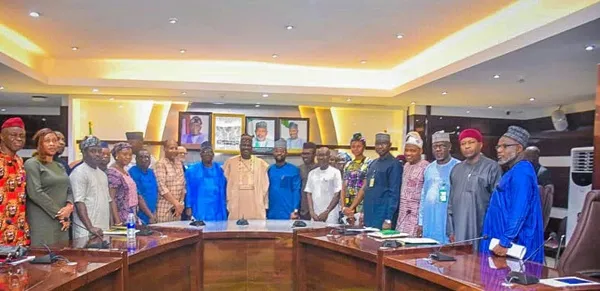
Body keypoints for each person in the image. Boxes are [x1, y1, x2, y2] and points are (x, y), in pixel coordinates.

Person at [481, 126, 544, 262]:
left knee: (512, 281)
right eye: (498, 146)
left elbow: (519, 210)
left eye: (505, 146)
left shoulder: (522, 173)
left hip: (512, 245)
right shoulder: (513, 171)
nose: (499, 150)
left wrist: (505, 241)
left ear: (519, 148)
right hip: (502, 242)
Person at [447, 128, 502, 247]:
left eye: (471, 142)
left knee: (479, 263)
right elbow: (451, 203)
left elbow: (497, 204)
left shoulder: (492, 167)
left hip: (482, 229)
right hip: (459, 230)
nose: (466, 146)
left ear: (480, 144)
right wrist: (450, 230)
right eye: (463, 143)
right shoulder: (456, 169)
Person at [25, 129, 74, 246]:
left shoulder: (60, 166)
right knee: (44, 258)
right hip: (43, 219)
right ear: (39, 144)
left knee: (62, 257)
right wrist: (59, 213)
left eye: (54, 140)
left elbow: (69, 189)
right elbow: (35, 193)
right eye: (47, 141)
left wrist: (69, 206)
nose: (52, 144)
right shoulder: (32, 164)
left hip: (62, 221)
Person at [351, 133, 402, 229]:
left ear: (390, 145)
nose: (380, 146)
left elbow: (394, 194)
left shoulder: (394, 164)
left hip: (382, 216)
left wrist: (388, 218)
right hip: (369, 214)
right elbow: (367, 189)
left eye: (383, 144)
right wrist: (363, 212)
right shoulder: (373, 163)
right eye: (377, 144)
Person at [417, 131, 460, 244]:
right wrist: (420, 222)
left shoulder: (458, 167)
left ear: (449, 147)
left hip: (447, 221)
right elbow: (423, 195)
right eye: (435, 146)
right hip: (429, 219)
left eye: (442, 146)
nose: (438, 149)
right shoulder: (429, 168)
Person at [70, 136, 110, 238]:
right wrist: (90, 227)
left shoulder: (102, 174)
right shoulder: (79, 172)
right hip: (86, 230)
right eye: (92, 151)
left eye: (99, 151)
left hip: (103, 228)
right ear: (84, 153)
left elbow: (108, 201)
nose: (97, 154)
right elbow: (79, 202)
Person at [223, 134, 270, 219]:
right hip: (236, 202)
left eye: (248, 145)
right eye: (243, 145)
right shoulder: (230, 162)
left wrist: (265, 204)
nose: (246, 148)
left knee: (255, 229)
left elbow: (265, 186)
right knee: (236, 228)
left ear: (252, 147)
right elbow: (226, 184)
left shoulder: (261, 163)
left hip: (255, 202)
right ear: (239, 146)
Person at [0, 118, 29, 246]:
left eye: (22, 136)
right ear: (2, 136)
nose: (19, 139)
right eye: (13, 135)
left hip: (18, 230)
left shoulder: (20, 161)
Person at [396, 132, 429, 235]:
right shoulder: (405, 166)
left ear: (421, 151)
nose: (408, 153)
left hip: (416, 219)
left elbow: (425, 196)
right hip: (402, 216)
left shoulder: (426, 167)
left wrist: (421, 223)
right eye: (406, 150)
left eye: (413, 150)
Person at [184, 142, 227, 221]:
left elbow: (224, 189)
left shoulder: (221, 169)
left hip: (217, 207)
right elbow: (188, 189)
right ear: (200, 154)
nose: (207, 154)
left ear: (213, 155)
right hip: (200, 206)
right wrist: (188, 206)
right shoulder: (192, 170)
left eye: (210, 152)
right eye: (204, 152)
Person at [305, 147, 342, 224]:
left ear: (329, 156)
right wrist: (311, 212)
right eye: (319, 155)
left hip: (330, 215)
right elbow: (309, 193)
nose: (321, 158)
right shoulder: (312, 173)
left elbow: (337, 194)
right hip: (315, 215)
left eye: (324, 155)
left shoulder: (335, 172)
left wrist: (327, 212)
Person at [341, 133, 372, 225]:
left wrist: (352, 208)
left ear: (364, 147)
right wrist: (344, 208)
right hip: (347, 205)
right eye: (353, 146)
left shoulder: (369, 163)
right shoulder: (348, 164)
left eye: (359, 146)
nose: (356, 149)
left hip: (361, 205)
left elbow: (364, 187)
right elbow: (343, 187)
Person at [267, 139, 301, 219]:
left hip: (289, 213)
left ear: (286, 153)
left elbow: (296, 191)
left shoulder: (293, 170)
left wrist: (295, 211)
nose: (279, 153)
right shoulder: (269, 170)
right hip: (272, 213)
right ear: (273, 153)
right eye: (276, 151)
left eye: (282, 151)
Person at [155, 140, 186, 223]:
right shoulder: (160, 164)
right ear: (164, 149)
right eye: (171, 148)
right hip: (165, 208)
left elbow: (183, 185)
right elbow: (162, 187)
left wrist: (181, 203)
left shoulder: (179, 163)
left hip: (177, 209)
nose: (174, 150)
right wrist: (176, 203)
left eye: (176, 148)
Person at [107, 142, 138, 225]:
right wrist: (117, 221)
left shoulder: (125, 171)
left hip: (131, 212)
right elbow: (111, 198)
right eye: (125, 154)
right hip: (121, 215)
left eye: (130, 155)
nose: (128, 157)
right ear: (117, 155)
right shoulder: (113, 172)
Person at [129, 149, 158, 225]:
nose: (144, 159)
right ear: (136, 159)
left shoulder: (151, 172)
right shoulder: (132, 172)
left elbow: (155, 192)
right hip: (140, 215)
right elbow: (138, 197)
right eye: (141, 157)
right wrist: (150, 216)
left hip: (153, 214)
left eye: (146, 157)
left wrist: (154, 213)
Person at [299, 142, 318, 220]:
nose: (305, 156)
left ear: (314, 155)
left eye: (308, 154)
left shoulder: (320, 169)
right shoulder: (299, 169)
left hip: (318, 209)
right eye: (303, 154)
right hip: (303, 211)